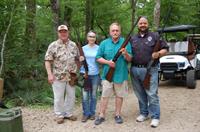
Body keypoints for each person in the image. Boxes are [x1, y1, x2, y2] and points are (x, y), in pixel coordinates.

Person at [130, 17, 168, 127]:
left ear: (148, 24)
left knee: (152, 93)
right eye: (140, 23)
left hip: (151, 69)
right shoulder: (132, 38)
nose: (142, 25)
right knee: (140, 93)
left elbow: (165, 48)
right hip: (135, 69)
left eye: (144, 23)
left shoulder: (155, 36)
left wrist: (159, 54)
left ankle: (155, 116)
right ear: (138, 25)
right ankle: (144, 113)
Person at [94, 22, 132, 125]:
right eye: (113, 30)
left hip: (121, 74)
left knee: (119, 96)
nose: (115, 32)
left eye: (117, 30)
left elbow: (130, 59)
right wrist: (108, 63)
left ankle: (117, 115)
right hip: (107, 75)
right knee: (105, 95)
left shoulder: (126, 42)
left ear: (120, 32)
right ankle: (101, 115)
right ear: (110, 32)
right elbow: (98, 58)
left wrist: (126, 53)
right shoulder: (104, 43)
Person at [45, 25, 79, 124]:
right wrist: (49, 74)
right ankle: (59, 115)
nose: (63, 33)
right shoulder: (53, 45)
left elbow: (77, 58)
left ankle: (68, 113)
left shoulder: (73, 45)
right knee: (59, 97)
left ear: (68, 32)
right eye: (61, 32)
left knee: (71, 96)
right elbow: (47, 60)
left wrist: (77, 69)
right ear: (58, 33)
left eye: (65, 31)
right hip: (58, 76)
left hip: (71, 76)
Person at [79, 31, 100, 122]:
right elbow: (78, 61)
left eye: (93, 37)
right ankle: (85, 114)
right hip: (85, 75)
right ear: (87, 38)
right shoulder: (82, 49)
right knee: (85, 96)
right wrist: (79, 60)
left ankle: (92, 113)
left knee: (94, 95)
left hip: (95, 75)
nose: (92, 38)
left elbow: (101, 59)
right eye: (90, 36)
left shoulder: (99, 48)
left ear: (95, 38)